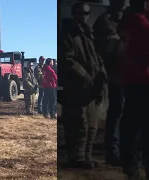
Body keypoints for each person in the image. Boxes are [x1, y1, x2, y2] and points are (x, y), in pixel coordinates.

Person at [118, 0, 149, 178]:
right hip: (147, 81)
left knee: (131, 124)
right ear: (145, 4)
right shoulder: (144, 25)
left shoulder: (126, 23)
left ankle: (130, 164)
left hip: (131, 81)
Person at [59, 2, 107, 169]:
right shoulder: (68, 34)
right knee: (79, 124)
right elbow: (68, 60)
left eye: (86, 13)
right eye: (80, 13)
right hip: (76, 87)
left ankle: (86, 157)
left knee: (92, 124)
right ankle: (77, 158)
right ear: (74, 14)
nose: (84, 16)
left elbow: (96, 56)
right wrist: (86, 77)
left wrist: (100, 74)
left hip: (91, 88)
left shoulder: (88, 33)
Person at [93, 0, 128, 166]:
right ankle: (112, 151)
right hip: (115, 73)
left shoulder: (122, 19)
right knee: (116, 112)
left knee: (124, 113)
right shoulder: (106, 21)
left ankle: (121, 149)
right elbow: (109, 48)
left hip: (127, 74)